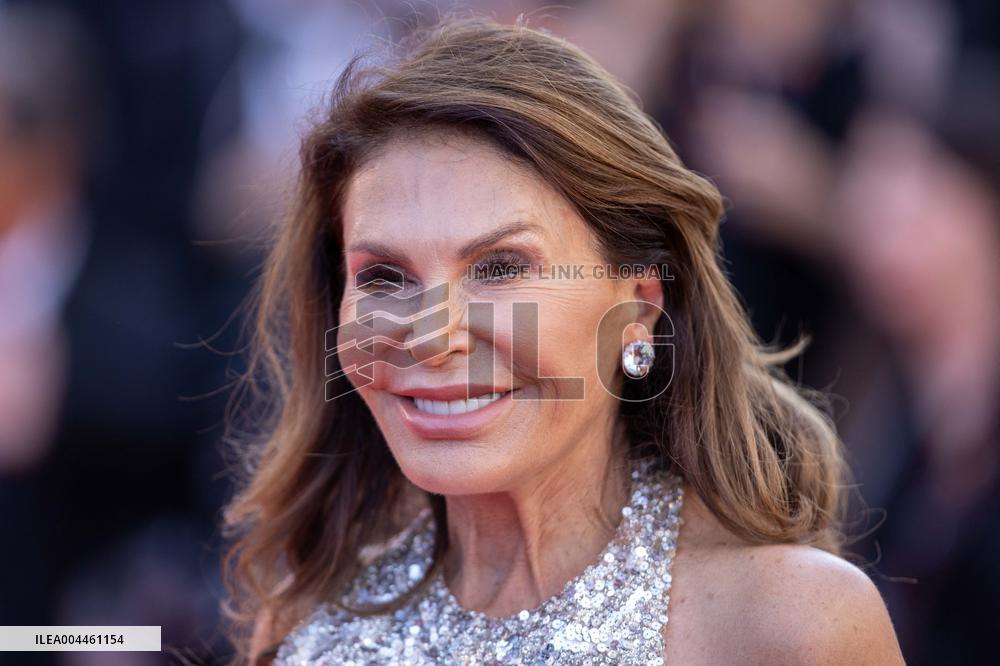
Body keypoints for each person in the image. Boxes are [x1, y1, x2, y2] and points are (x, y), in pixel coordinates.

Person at [222, 16, 903, 665]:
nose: (430, 338)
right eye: (385, 277)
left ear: (638, 304)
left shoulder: (790, 625)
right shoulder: (310, 624)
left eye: (499, 268)